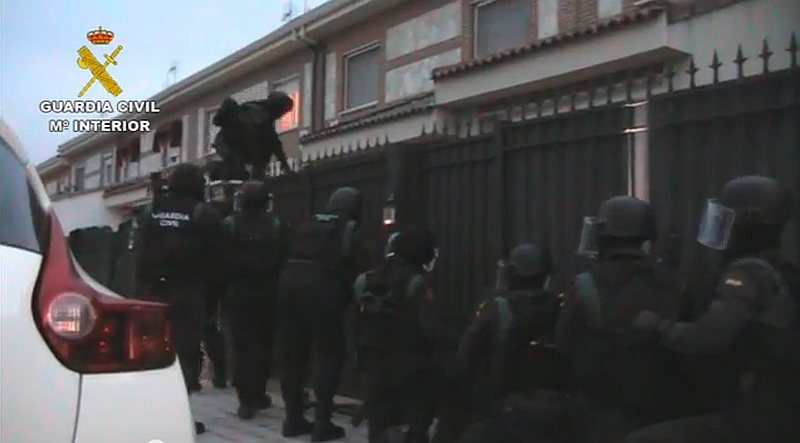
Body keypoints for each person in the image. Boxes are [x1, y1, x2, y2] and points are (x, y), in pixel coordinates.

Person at [624, 175, 800, 443]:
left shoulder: (747, 274)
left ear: (746, 221)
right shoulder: (780, 271)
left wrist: (659, 327)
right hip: (776, 409)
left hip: (757, 418)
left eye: (727, 218)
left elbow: (708, 336)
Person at [551, 195, 693, 443]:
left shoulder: (584, 286)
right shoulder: (674, 283)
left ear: (603, 236)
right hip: (665, 414)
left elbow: (563, 344)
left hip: (601, 415)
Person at [133, 163, 223, 435]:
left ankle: (146, 413)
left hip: (151, 292)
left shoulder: (151, 211)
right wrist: (211, 301)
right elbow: (217, 261)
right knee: (185, 353)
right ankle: (179, 415)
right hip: (187, 293)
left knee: (150, 353)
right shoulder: (204, 213)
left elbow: (138, 253)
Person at [444, 243, 560, 442]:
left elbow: (466, 357)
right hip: (550, 411)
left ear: (512, 273)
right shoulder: (557, 306)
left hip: (500, 410)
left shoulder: (496, 309)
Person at [355, 226, 456, 443]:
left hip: (373, 364)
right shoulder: (416, 283)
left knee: (379, 424)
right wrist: (455, 341)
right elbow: (429, 329)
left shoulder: (367, 279)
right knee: (416, 424)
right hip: (410, 367)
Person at [278, 186, 364, 441]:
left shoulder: (307, 222)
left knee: (293, 354)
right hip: (323, 287)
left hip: (289, 282)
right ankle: (322, 422)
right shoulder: (349, 228)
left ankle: (293, 419)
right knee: (329, 354)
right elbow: (358, 267)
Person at [221, 180, 289, 419]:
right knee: (263, 345)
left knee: (241, 347)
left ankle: (245, 401)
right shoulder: (276, 225)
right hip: (267, 292)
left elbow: (220, 259)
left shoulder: (229, 224)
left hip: (236, 293)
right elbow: (283, 257)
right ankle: (258, 393)